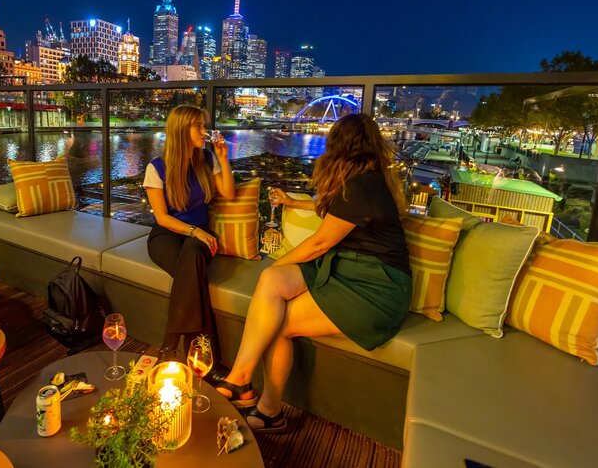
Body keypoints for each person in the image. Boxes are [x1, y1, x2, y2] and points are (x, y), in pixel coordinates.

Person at [216, 114, 412, 434]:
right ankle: (242, 382)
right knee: (271, 281)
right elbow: (331, 211)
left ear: (338, 146)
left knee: (276, 318)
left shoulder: (362, 185)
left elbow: (319, 244)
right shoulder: (364, 180)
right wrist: (293, 203)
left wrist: (276, 263)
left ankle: (262, 403)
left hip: (375, 290)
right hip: (348, 271)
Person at [143, 105, 235, 361]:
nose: (204, 131)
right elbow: (162, 217)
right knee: (193, 279)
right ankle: (205, 358)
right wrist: (193, 230)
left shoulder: (207, 158)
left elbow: (228, 193)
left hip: (198, 238)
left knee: (192, 261)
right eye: (199, 126)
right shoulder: (157, 168)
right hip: (166, 235)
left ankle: (169, 348)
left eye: (204, 126)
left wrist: (223, 158)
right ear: (182, 130)